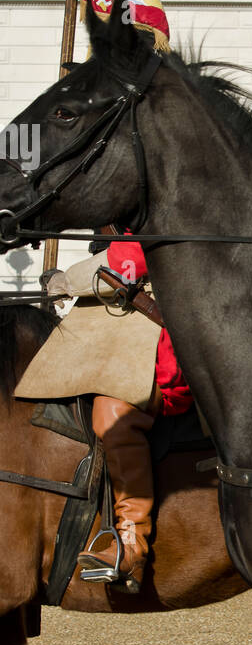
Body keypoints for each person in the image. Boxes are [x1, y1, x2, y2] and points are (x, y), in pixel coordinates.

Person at [37, 237, 193, 594]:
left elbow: (125, 260)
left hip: (170, 355)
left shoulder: (155, 222)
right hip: (126, 343)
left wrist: (63, 281)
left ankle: (131, 543)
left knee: (112, 412)